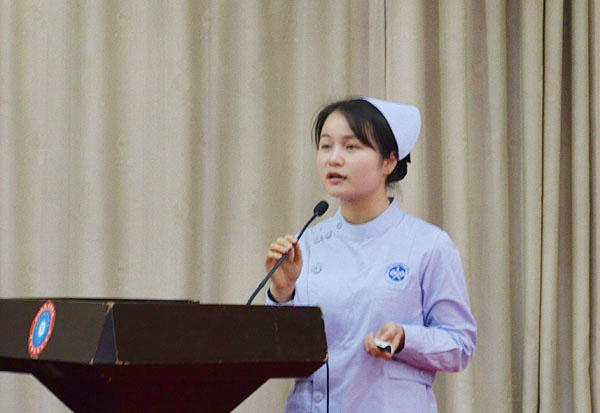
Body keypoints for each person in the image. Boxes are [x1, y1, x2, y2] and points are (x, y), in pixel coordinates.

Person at [265, 97, 477, 412]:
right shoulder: (306, 244)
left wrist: (405, 339)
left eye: (351, 147)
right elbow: (280, 355)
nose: (334, 159)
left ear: (389, 162)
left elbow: (460, 345)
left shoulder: (428, 245)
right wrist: (282, 293)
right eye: (326, 146)